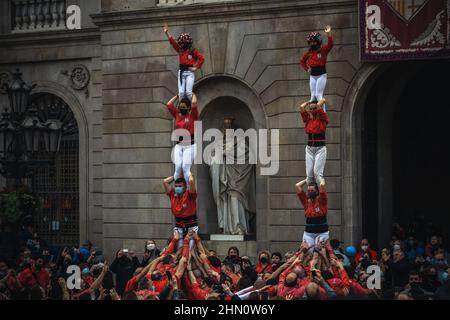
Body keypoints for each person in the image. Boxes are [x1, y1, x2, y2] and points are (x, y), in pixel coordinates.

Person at [163, 23, 204, 102]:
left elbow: (202, 59)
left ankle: (190, 108)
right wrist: (167, 33)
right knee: (181, 93)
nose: (181, 44)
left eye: (182, 43)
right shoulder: (180, 50)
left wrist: (196, 67)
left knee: (188, 93)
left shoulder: (193, 51)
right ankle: (182, 108)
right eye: (180, 43)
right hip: (181, 72)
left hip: (189, 73)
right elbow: (173, 42)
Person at [166, 93, 199, 187]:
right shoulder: (177, 114)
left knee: (185, 168)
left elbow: (194, 103)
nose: (181, 108)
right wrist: (177, 96)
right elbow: (169, 104)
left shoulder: (193, 115)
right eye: (180, 106)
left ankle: (189, 189)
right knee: (177, 168)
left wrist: (192, 93)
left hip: (190, 145)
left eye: (183, 107)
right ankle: (179, 189)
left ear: (188, 108)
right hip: (179, 145)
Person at [300, 25, 333, 112]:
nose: (311, 44)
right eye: (310, 42)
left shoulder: (323, 50)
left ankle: (323, 113)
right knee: (312, 96)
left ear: (318, 41)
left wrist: (329, 34)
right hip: (313, 75)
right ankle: (313, 114)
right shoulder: (309, 52)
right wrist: (307, 69)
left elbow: (330, 45)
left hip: (321, 74)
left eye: (313, 42)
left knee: (319, 95)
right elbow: (302, 61)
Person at [163, 174, 198, 249]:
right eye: (176, 186)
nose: (177, 188)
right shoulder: (172, 194)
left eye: (180, 186)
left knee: (190, 247)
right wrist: (176, 175)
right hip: (179, 224)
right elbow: (165, 181)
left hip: (191, 224)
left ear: (185, 187)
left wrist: (188, 174)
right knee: (179, 247)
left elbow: (191, 181)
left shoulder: (190, 195)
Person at [299, 99, 328, 186]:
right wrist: (309, 101)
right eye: (310, 109)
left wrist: (315, 100)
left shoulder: (323, 118)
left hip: (320, 149)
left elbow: (323, 100)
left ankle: (322, 193)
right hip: (309, 149)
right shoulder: (308, 119)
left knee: (317, 174)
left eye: (314, 108)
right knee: (309, 176)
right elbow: (301, 107)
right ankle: (312, 194)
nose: (312, 110)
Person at [295, 178, 329, 247]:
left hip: (321, 232)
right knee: (305, 251)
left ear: (317, 192)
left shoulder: (321, 201)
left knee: (318, 251)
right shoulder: (306, 201)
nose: (310, 192)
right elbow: (297, 185)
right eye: (309, 191)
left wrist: (320, 178)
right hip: (309, 233)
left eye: (312, 190)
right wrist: (308, 179)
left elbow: (322, 185)